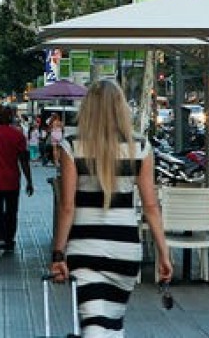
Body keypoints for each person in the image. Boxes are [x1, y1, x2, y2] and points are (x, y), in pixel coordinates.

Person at [49, 80, 172, 336]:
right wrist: (163, 252)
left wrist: (58, 254)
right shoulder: (140, 147)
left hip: (84, 250)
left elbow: (67, 206)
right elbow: (150, 206)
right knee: (112, 326)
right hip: (125, 251)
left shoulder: (72, 146)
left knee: (95, 327)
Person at [0, 105, 34, 257]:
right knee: (11, 211)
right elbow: (24, 160)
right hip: (12, 180)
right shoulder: (17, 136)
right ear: (10, 117)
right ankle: (9, 239)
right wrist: (29, 181)